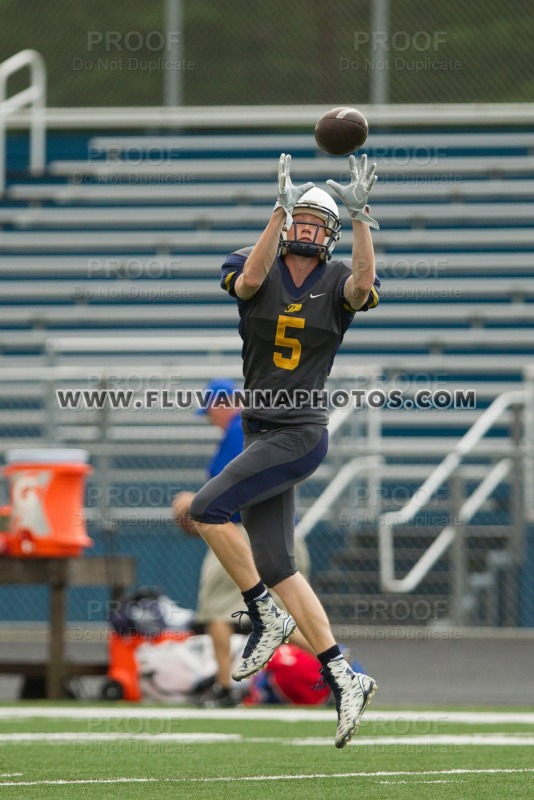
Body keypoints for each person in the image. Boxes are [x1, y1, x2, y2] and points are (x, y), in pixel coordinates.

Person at [189, 153, 381, 747]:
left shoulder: (337, 276)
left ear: (327, 235)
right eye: (299, 219)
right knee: (278, 565)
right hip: (259, 430)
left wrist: (360, 218)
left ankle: (264, 613)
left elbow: (365, 286)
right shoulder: (257, 264)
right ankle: (343, 673)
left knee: (205, 509)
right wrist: (276, 211)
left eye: (316, 224)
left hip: (298, 432)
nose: (306, 229)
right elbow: (247, 281)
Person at [172, 377, 311, 707]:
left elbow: (227, 493)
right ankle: (342, 665)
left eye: (210, 410)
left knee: (216, 610)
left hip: (242, 534)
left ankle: (225, 687)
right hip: (283, 533)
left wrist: (191, 503)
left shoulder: (239, 429)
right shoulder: (266, 429)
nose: (209, 418)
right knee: (289, 614)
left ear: (224, 403)